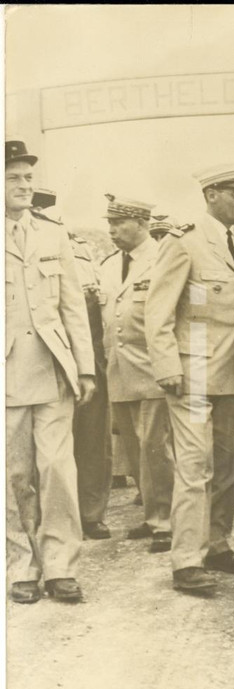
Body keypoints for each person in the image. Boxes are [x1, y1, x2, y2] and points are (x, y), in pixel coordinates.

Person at [145, 160, 234, 594]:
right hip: (191, 374)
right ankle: (186, 561)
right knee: (195, 466)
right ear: (211, 195)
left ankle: (217, 544)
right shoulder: (184, 243)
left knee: (229, 467)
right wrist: (166, 366)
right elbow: (157, 310)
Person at [5, 140, 96, 604]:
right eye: (12, 178)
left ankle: (60, 566)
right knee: (14, 475)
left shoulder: (51, 233)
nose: (24, 186)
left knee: (58, 470)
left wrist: (85, 368)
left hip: (53, 369)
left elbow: (72, 306)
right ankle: (21, 564)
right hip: (7, 376)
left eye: (27, 178)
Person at [99, 194, 175, 554]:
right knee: (133, 447)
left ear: (142, 223)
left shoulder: (163, 258)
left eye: (119, 223)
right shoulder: (109, 264)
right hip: (119, 368)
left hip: (152, 367)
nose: (112, 230)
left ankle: (167, 521)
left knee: (154, 446)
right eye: (110, 224)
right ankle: (152, 512)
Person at [67, 230, 113, 540]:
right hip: (47, 363)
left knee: (93, 441)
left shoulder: (80, 249)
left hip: (91, 361)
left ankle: (91, 514)